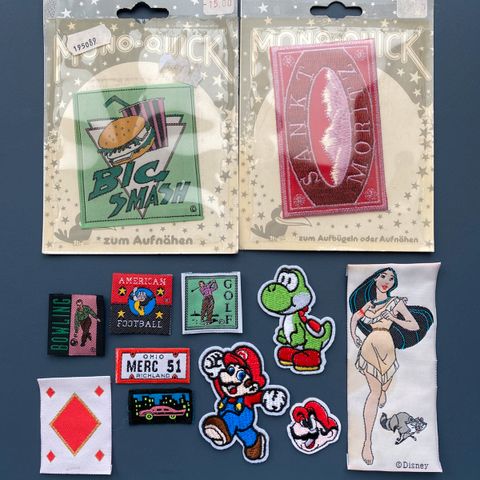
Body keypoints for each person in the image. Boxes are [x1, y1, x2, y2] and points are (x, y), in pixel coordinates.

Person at [349, 267, 432, 466]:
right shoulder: (369, 304)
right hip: (370, 345)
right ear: (375, 279)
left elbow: (414, 325)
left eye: (391, 278)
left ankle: (383, 391)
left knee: (385, 383)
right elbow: (355, 318)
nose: (387, 280)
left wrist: (394, 318)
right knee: (374, 392)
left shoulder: (396, 302)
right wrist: (354, 336)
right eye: (383, 276)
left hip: (388, 346)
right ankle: (367, 442)